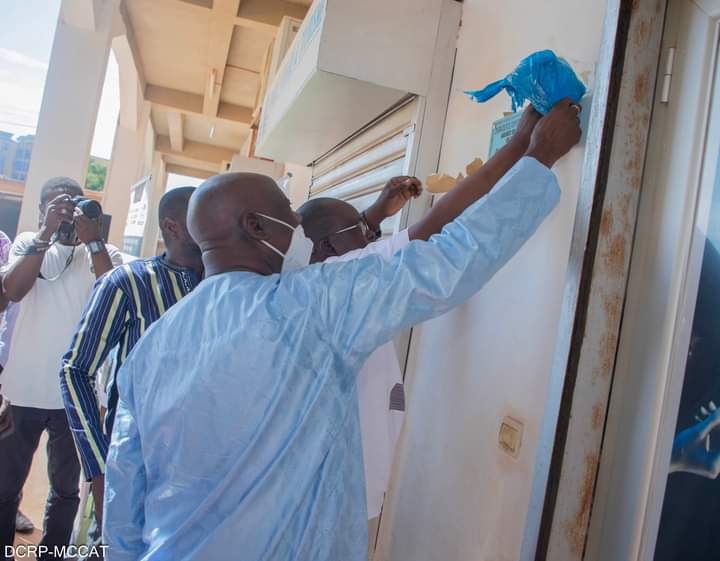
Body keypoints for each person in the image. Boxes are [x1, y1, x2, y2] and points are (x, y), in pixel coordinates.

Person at [103, 99, 581, 561]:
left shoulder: (151, 348)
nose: (297, 223)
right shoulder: (313, 304)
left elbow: (122, 504)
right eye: (287, 213)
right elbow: (449, 260)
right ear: (255, 226)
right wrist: (540, 157)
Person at [298, 107, 542, 528]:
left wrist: (372, 215)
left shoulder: (311, 281)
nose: (371, 232)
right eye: (359, 228)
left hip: (334, 485)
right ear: (328, 248)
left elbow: (350, 244)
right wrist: (523, 145)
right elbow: (441, 218)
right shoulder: (345, 279)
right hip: (343, 492)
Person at [60, 187, 203, 528]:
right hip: (132, 470)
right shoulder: (128, 282)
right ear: (173, 227)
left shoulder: (231, 285)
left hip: (201, 477)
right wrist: (97, 469)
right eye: (203, 216)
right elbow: (75, 370)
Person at [0, 177, 122, 558]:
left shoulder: (104, 252)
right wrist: (47, 232)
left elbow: (112, 291)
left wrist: (93, 240)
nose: (67, 214)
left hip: (76, 394)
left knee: (66, 489)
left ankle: (51, 553)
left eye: (74, 207)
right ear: (42, 211)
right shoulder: (27, 243)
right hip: (22, 390)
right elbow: (13, 291)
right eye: (58, 207)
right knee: (5, 486)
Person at [0, 231, 34, 536]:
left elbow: (5, 299)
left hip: (4, 360)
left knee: (7, 452)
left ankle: (13, 507)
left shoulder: (2, 244)